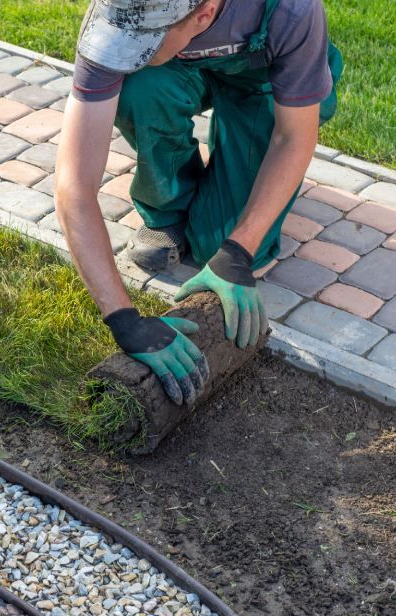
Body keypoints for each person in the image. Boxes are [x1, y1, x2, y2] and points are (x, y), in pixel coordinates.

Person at [55, 0, 343, 406]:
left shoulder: (291, 10)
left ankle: (234, 163)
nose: (126, 47)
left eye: (144, 39)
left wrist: (238, 252)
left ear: (205, 13)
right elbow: (74, 186)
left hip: (261, 80)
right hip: (180, 68)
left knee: (221, 246)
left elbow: (294, 136)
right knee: (137, 86)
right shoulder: (117, 17)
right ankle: (168, 211)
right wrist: (123, 318)